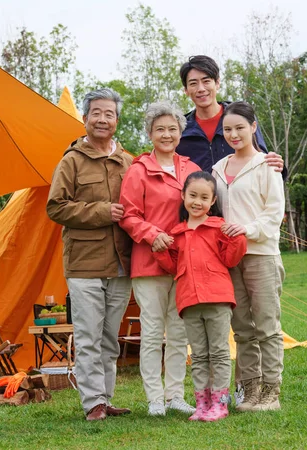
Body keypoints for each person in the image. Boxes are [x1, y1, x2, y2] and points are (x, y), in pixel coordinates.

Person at [46, 88, 134, 421]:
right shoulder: (71, 160)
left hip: (122, 263)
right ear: (85, 119)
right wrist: (100, 211)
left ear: (116, 119)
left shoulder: (128, 161)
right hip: (84, 264)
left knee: (110, 337)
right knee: (88, 336)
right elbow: (55, 207)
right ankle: (93, 403)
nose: (102, 119)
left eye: (109, 113)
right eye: (96, 113)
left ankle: (105, 398)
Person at [119, 101, 200, 417]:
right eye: (160, 129)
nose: (167, 134)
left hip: (183, 263)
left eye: (172, 129)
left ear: (181, 132)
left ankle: (175, 396)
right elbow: (128, 215)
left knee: (179, 332)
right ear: (150, 133)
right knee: (152, 332)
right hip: (149, 263)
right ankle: (155, 398)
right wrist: (152, 235)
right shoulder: (139, 170)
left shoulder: (192, 170)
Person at [153, 171, 247, 422]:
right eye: (192, 195)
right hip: (189, 302)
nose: (197, 202)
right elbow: (172, 266)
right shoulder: (177, 233)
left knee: (218, 352)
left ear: (213, 200)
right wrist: (160, 250)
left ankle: (220, 403)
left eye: (204, 197)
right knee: (198, 355)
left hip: (217, 299)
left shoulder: (220, 227)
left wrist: (237, 238)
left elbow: (231, 258)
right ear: (183, 196)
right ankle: (202, 404)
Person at [212, 101, 286, 412]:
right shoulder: (218, 169)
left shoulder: (266, 165)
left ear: (253, 127)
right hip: (230, 258)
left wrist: (246, 229)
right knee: (242, 327)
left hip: (260, 253)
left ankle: (272, 392)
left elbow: (273, 214)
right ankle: (251, 390)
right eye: (227, 129)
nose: (233, 134)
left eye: (240, 127)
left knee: (267, 325)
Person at [176, 55, 284, 175]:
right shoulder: (180, 130)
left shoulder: (241, 117)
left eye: (206, 81)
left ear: (217, 83)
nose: (201, 89)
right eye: (193, 83)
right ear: (185, 90)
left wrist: (276, 164)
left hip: (241, 192)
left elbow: (261, 161)